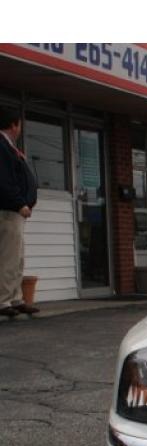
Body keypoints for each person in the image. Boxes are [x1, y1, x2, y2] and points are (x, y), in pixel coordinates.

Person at [0, 107, 39, 317]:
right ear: (14, 125)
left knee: (17, 257)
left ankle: (15, 297)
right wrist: (19, 203)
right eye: (20, 125)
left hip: (15, 211)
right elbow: (5, 180)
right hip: (9, 211)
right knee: (8, 256)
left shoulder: (9, 147)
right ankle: (4, 300)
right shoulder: (2, 147)